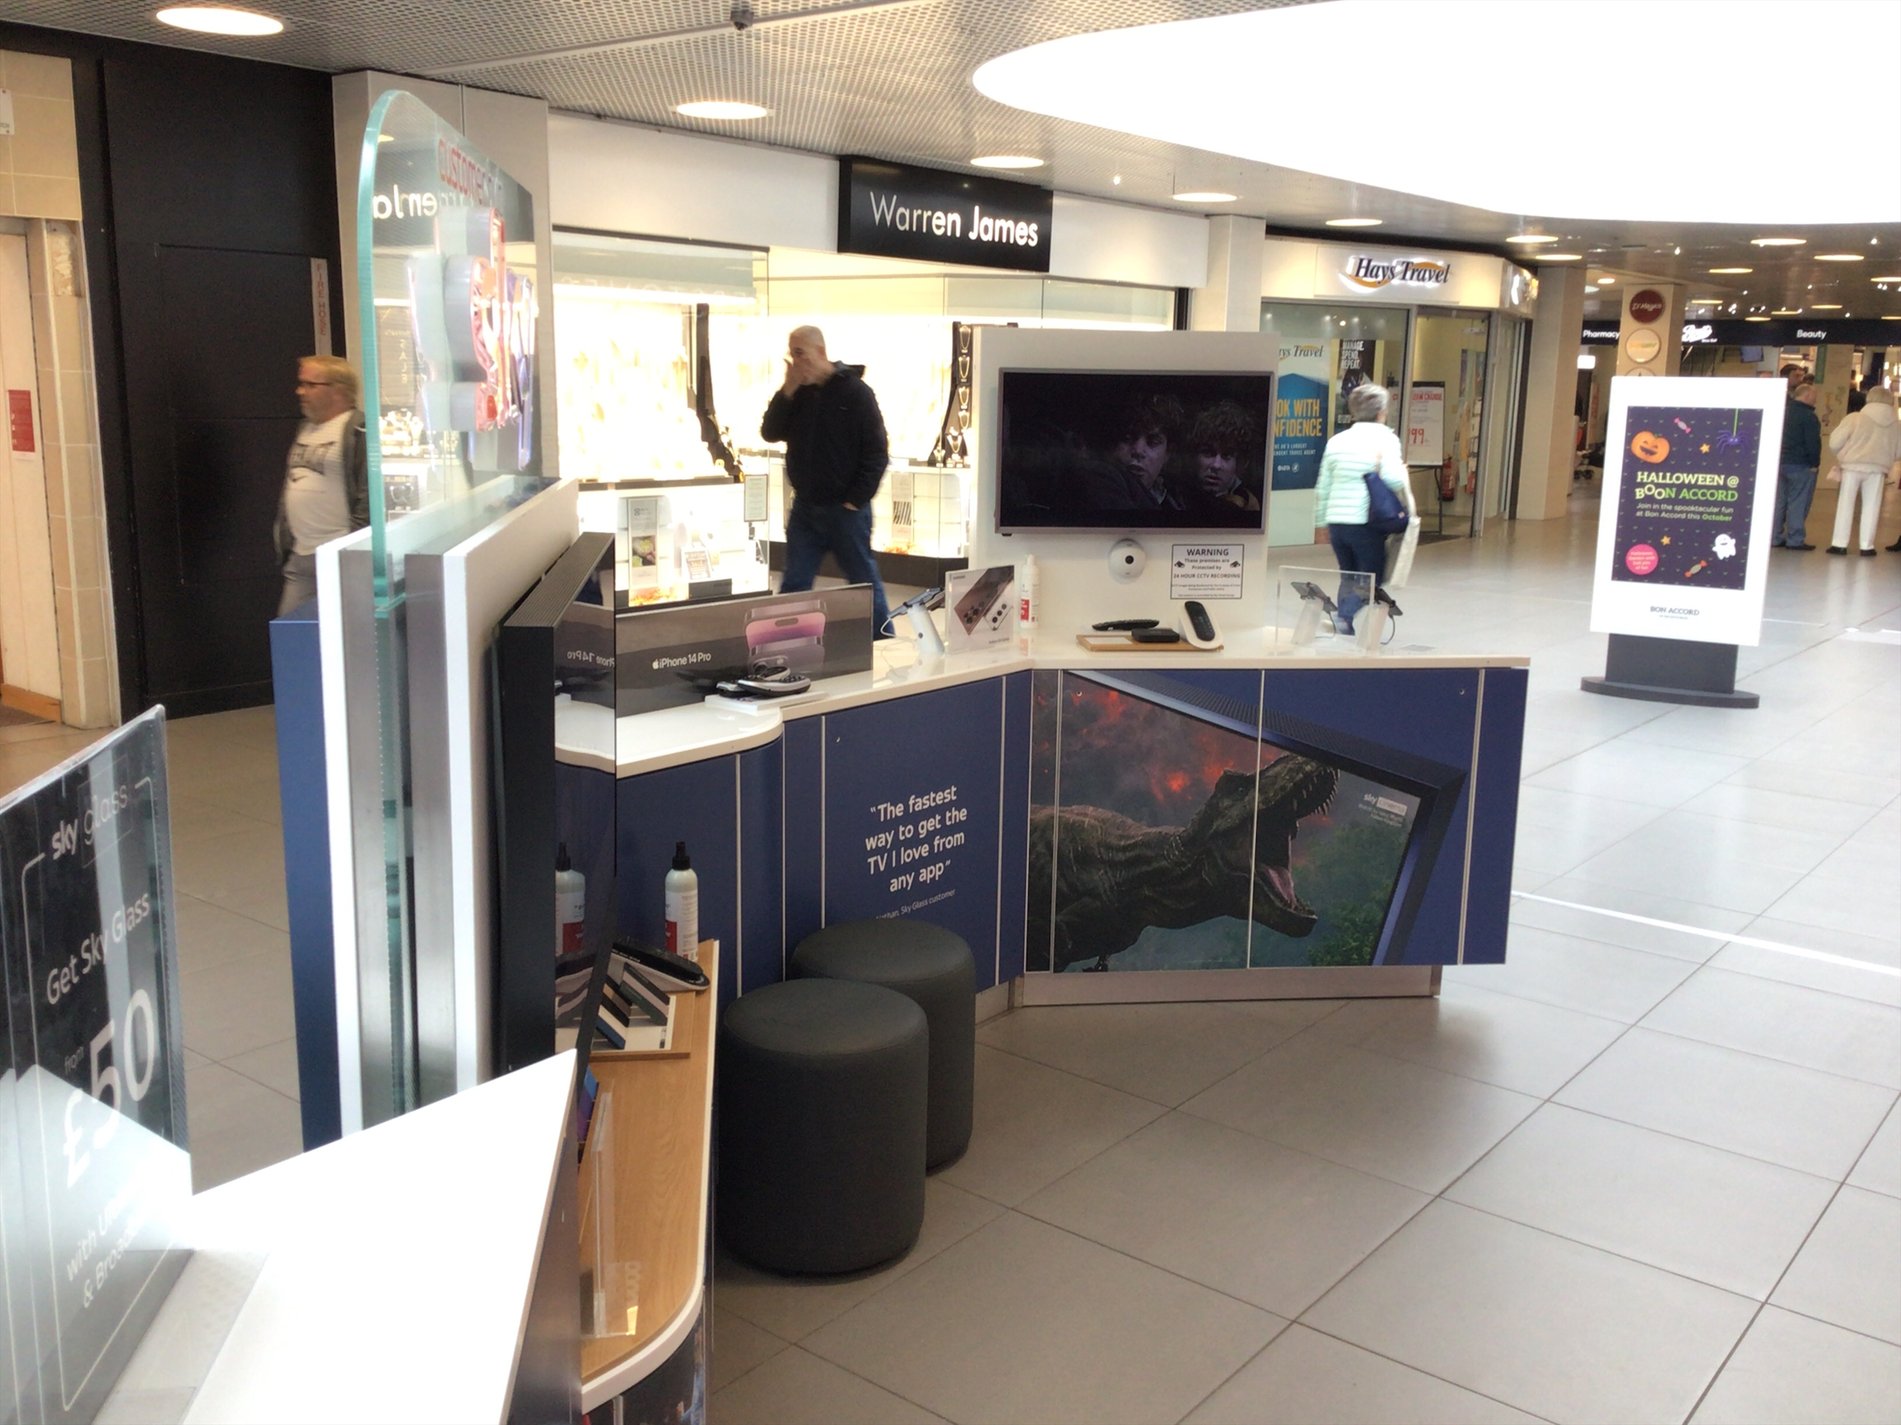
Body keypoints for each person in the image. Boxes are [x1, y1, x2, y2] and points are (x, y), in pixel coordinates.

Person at [760, 325, 891, 633]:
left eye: (800, 353)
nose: (795, 361)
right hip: (806, 508)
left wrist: (855, 499)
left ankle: (883, 638)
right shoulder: (798, 394)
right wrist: (787, 390)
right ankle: (786, 643)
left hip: (846, 511)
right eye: (791, 354)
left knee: (862, 582)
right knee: (795, 581)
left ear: (820, 352)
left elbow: (877, 452)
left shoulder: (856, 393)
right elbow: (770, 432)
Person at [1312, 382, 1414, 632]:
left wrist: (1320, 523)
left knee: (1348, 574)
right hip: (1366, 521)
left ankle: (1345, 623)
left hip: (1337, 521)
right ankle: (1344, 617)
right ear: (1381, 412)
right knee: (1373, 575)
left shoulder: (1336, 441)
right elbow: (1393, 479)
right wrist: (1403, 471)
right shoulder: (1386, 439)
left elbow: (1322, 486)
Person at [274, 355, 368, 617]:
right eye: (301, 383)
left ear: (338, 389)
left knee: (347, 632)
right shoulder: (305, 429)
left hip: (340, 557)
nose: (300, 391)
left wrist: (351, 546)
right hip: (301, 556)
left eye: (310, 385)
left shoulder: (359, 430)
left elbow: (368, 496)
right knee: (291, 631)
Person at [1825, 385, 1901, 556]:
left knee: (1846, 504)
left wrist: (1844, 453)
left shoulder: (1855, 418)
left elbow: (1835, 442)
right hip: (1878, 469)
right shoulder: (1896, 424)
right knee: (1872, 507)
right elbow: (1899, 452)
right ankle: (1867, 546)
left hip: (1852, 466)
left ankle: (1839, 544)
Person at [1082, 392, 1187, 511]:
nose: (1138, 451)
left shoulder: (1177, 501)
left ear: (1168, 453)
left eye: (1153, 442)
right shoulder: (1097, 483)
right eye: (1127, 438)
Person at [1188, 400, 1262, 512]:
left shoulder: (1249, 506)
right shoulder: (1173, 500)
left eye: (1227, 455)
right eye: (1208, 453)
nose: (1216, 465)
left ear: (1239, 463)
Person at [1774, 381, 1821, 549]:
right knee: (1798, 503)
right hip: (1801, 464)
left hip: (1780, 463)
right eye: (1814, 396)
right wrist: (1815, 463)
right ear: (1807, 395)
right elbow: (1812, 443)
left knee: (1779, 502)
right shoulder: (1809, 416)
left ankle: (1774, 537)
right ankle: (1795, 539)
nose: (1815, 400)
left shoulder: (1783, 411)